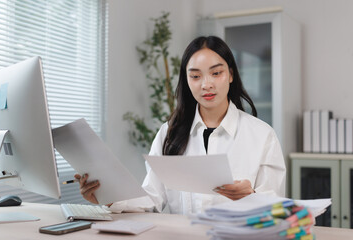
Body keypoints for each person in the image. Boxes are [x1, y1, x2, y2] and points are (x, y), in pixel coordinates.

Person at [75, 36, 286, 215]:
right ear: (186, 80)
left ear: (231, 75)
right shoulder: (169, 133)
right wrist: (109, 198)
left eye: (216, 73)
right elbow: (151, 198)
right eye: (195, 76)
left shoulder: (262, 135)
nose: (206, 84)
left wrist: (251, 196)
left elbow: (277, 208)